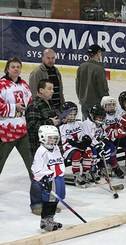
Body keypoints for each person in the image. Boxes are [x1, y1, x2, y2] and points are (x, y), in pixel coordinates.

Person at [26, 79, 60, 215]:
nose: (52, 91)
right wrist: (50, 122)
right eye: (49, 88)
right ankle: (36, 204)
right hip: (38, 148)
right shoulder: (34, 105)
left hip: (51, 147)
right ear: (41, 90)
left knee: (50, 176)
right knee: (39, 176)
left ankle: (48, 204)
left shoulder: (48, 104)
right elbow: (32, 126)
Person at [0, 57, 33, 178]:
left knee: (33, 163)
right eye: (13, 67)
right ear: (7, 69)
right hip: (5, 132)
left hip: (23, 131)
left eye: (18, 67)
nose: (16, 69)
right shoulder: (1, 85)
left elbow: (30, 103)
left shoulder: (24, 85)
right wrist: (14, 108)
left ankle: (40, 189)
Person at [31, 125, 65, 232]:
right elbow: (36, 168)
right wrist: (44, 178)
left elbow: (60, 161)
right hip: (49, 179)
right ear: (43, 137)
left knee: (57, 198)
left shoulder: (55, 149)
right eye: (50, 138)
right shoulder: (41, 151)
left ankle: (51, 219)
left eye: (55, 138)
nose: (53, 140)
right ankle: (44, 221)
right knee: (49, 200)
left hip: (58, 178)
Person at [76, 44, 109, 120]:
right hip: (96, 105)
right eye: (100, 53)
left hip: (84, 103)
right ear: (98, 53)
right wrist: (106, 101)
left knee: (86, 126)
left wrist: (81, 99)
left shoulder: (81, 66)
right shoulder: (99, 68)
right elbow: (102, 88)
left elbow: (77, 86)